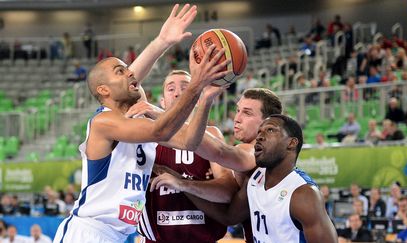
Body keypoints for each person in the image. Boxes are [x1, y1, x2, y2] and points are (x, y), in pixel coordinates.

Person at [54, 4, 231, 243]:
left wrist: (163, 41)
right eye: (120, 71)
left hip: (118, 235)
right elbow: (162, 129)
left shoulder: (137, 114)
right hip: (89, 232)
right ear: (103, 89)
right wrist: (195, 84)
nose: (129, 74)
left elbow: (189, 141)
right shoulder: (103, 121)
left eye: (128, 70)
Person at [151, 114, 338, 242]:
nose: (260, 137)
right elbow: (228, 217)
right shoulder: (255, 179)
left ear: (292, 143)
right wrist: (182, 183)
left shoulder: (303, 195)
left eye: (270, 130)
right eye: (259, 132)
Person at [142, 70, 238, 243]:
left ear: (197, 98)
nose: (178, 92)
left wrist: (183, 184)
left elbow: (228, 192)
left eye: (186, 87)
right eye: (171, 89)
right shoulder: (145, 138)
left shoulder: (211, 134)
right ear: (162, 102)